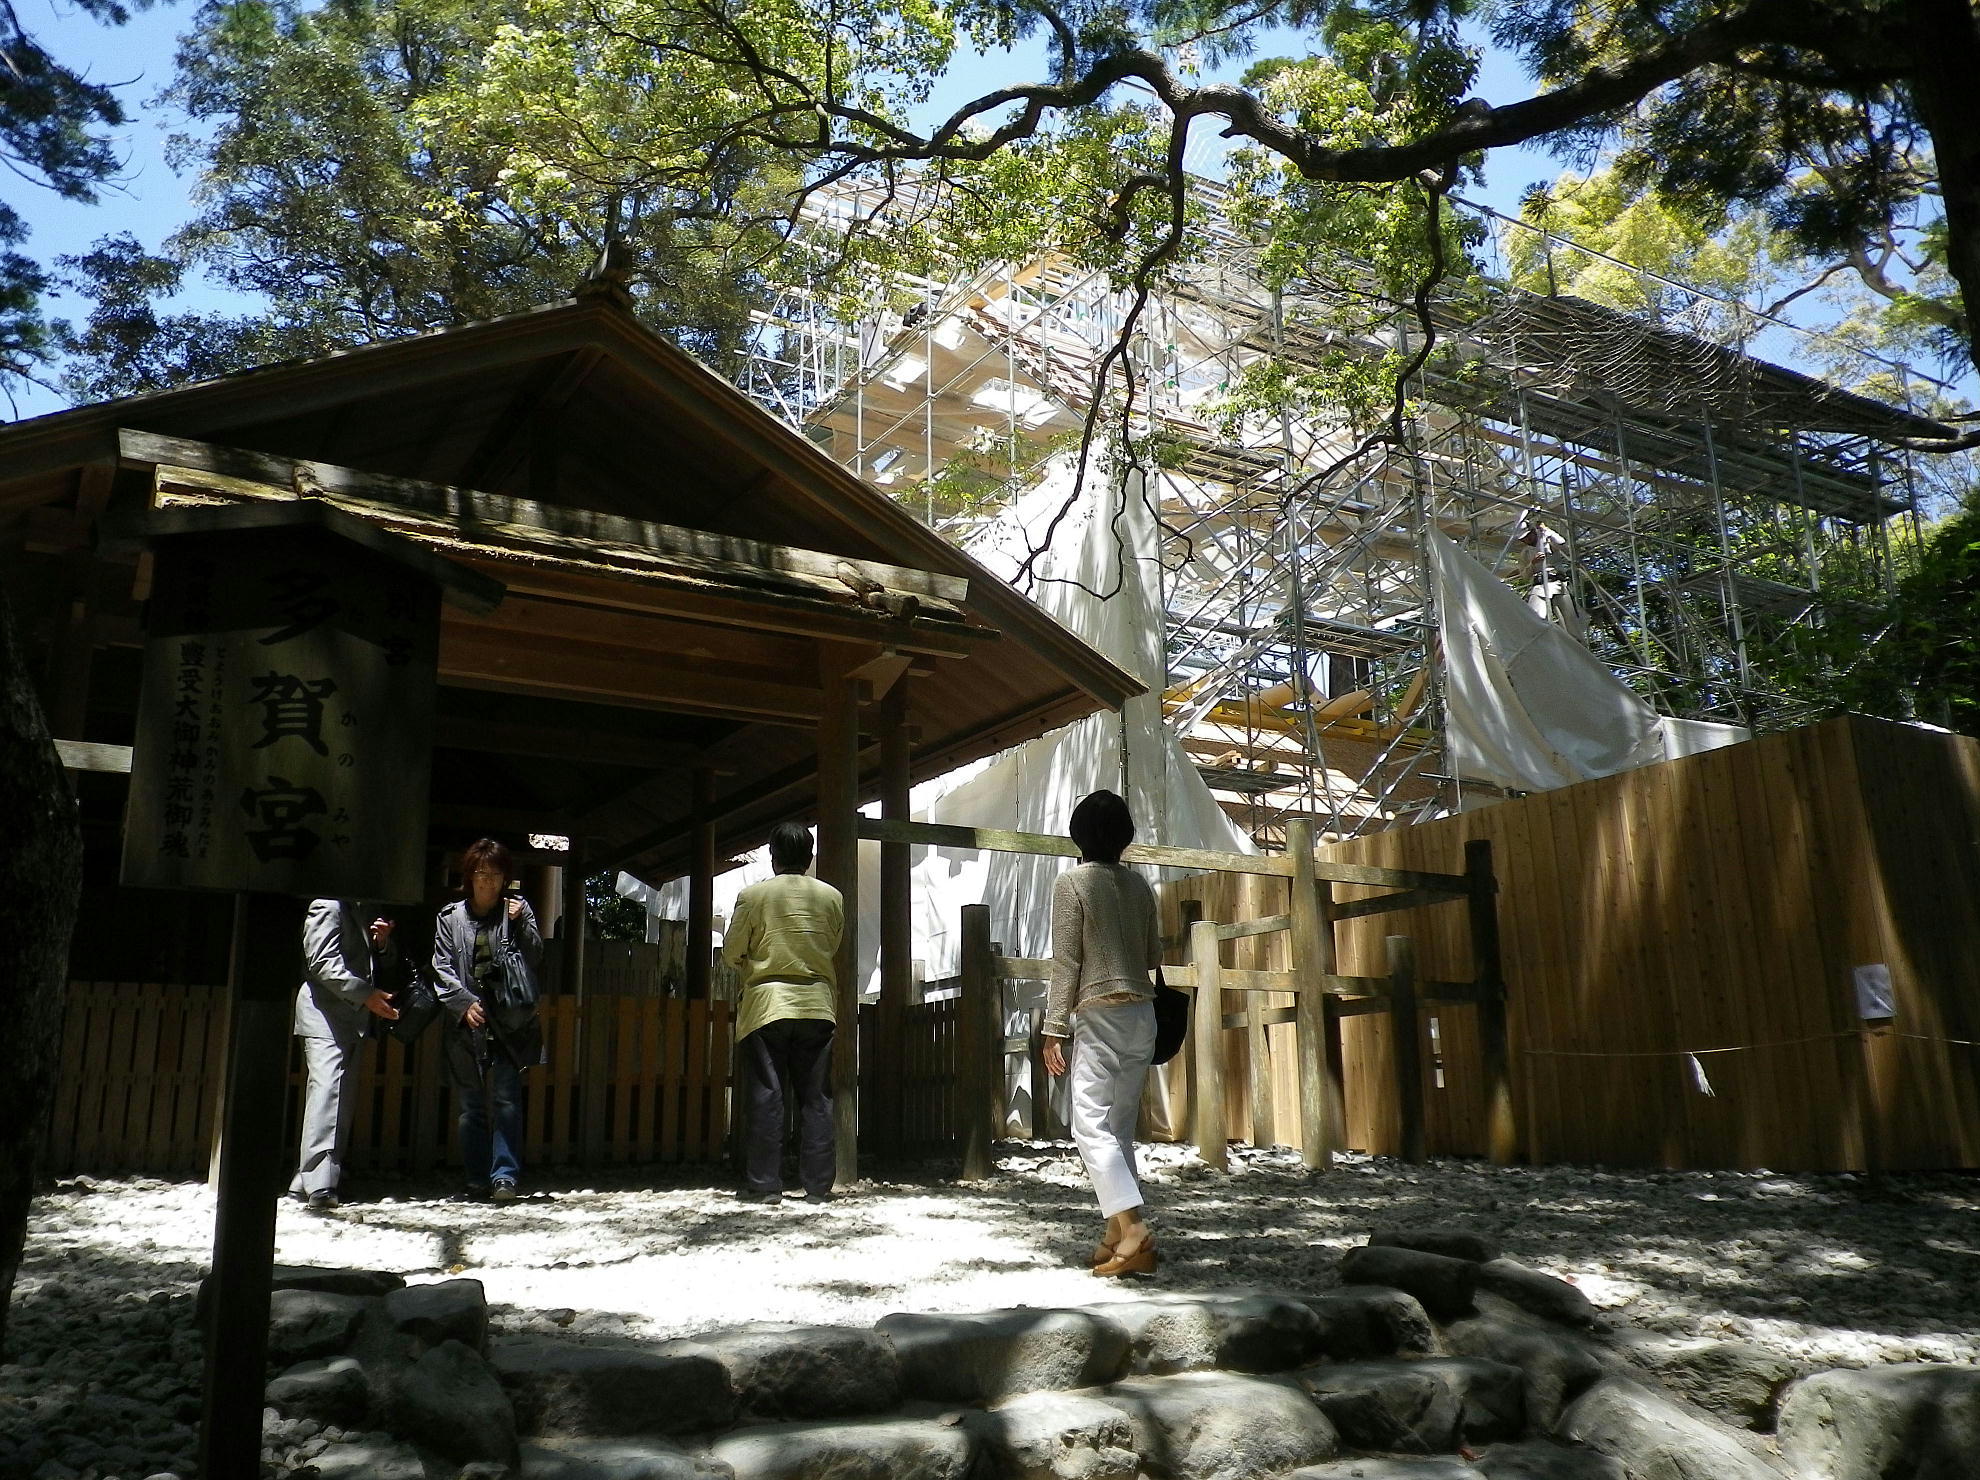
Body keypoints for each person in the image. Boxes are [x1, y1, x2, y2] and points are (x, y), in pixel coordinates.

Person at [1042, 790, 1164, 1276]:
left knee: (1090, 1124)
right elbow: (1153, 955)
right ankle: (1116, 1234)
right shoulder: (1140, 886)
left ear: (1079, 834)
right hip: (1144, 1014)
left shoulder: (1071, 884)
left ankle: (1133, 1228)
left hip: (1100, 1011)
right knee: (1118, 1127)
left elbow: (1067, 962)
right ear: (1125, 837)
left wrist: (1053, 1028)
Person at [721, 821, 844, 1205]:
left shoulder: (753, 896)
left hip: (766, 1006)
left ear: (773, 857)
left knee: (767, 1094)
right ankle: (818, 1187)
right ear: (810, 856)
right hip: (817, 1004)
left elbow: (731, 952)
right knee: (817, 1097)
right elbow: (833, 944)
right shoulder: (831, 897)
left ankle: (765, 1184)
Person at [432, 838, 543, 1202]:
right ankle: (477, 1178)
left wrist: (522, 922)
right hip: (467, 1022)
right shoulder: (450, 917)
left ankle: (505, 1177)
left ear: (505, 877)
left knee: (507, 1100)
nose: (488, 881)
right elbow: (441, 967)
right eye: (481, 873)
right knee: (471, 1106)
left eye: (495, 874)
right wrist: (463, 1004)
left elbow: (535, 956)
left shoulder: (516, 911)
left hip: (508, 1022)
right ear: (470, 876)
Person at [291, 899, 401, 1212]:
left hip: (351, 1018)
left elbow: (371, 961)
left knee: (341, 1097)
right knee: (327, 1092)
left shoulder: (363, 906)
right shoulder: (327, 904)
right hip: (324, 1015)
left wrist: (382, 944)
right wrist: (365, 995)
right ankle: (320, 1184)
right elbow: (321, 962)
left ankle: (306, 1180)